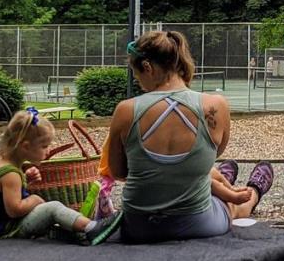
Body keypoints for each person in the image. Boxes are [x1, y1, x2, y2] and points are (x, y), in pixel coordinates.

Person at [105, 31, 274, 244]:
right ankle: (254, 192)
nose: (138, 81)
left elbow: (118, 171)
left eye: (136, 74)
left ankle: (225, 179)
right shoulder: (215, 105)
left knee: (203, 177)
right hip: (200, 223)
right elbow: (212, 155)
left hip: (139, 227)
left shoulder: (126, 110)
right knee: (232, 206)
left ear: (147, 67)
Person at [0, 108, 121, 245]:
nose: (48, 151)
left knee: (48, 214)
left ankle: (72, 233)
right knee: (52, 208)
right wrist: (34, 200)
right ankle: (92, 228)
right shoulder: (10, 174)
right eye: (44, 146)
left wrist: (27, 180)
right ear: (25, 146)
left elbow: (3, 198)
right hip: (6, 230)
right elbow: (14, 210)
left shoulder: (3, 165)